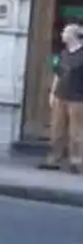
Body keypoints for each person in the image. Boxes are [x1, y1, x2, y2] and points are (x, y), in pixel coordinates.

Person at [39, 22, 83, 173]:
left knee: (76, 131)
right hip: (61, 96)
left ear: (73, 36)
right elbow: (58, 74)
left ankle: (76, 161)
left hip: (78, 97)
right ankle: (53, 158)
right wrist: (52, 92)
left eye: (65, 32)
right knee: (56, 129)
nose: (62, 35)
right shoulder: (64, 53)